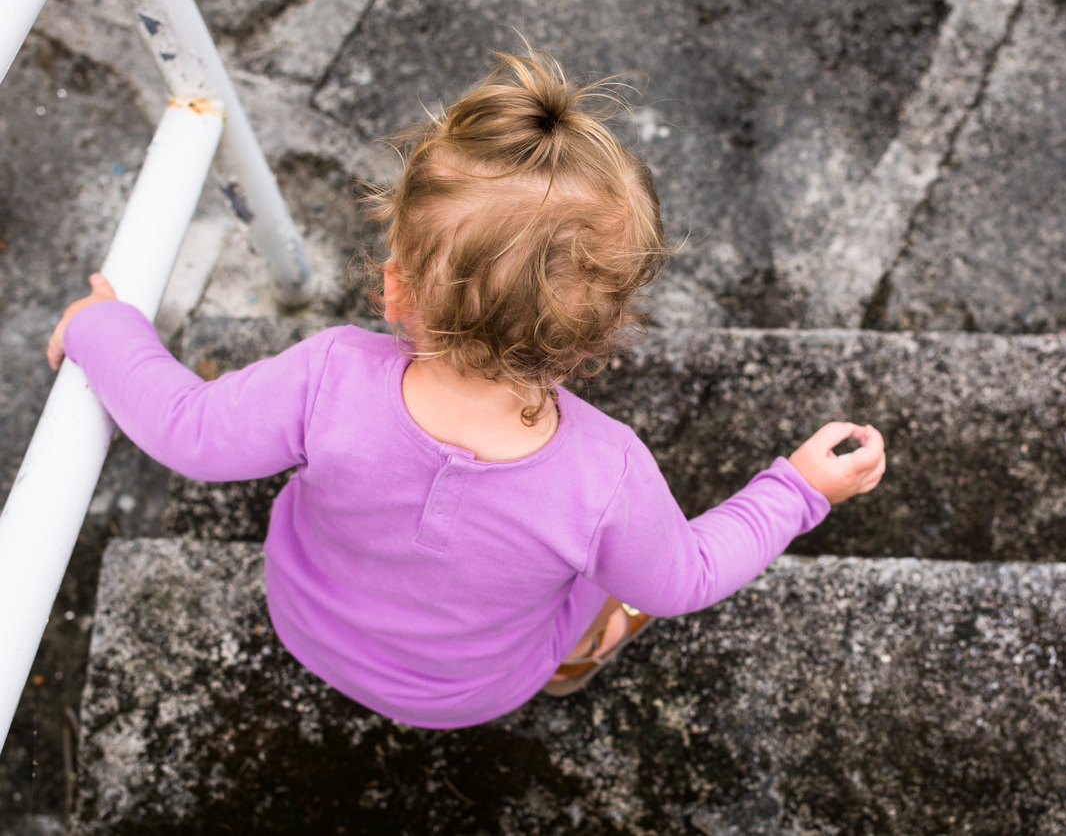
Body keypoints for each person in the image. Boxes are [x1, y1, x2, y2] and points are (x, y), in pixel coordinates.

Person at [46, 49, 886, 729]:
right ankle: (581, 654)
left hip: (306, 623)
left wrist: (100, 325)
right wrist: (798, 489)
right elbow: (684, 578)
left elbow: (185, 428)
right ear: (594, 340)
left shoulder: (329, 375)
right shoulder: (607, 473)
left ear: (394, 288)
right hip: (471, 692)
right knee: (613, 579)